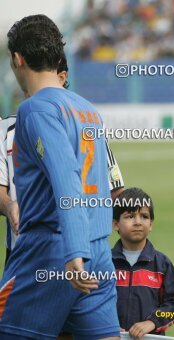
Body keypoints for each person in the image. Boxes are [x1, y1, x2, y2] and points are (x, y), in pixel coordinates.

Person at [0, 15, 120, 339]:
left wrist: (73, 251)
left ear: (17, 58)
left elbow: (67, 179)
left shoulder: (34, 109)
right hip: (98, 251)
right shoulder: (87, 109)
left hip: (55, 250)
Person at [0, 54, 125, 265]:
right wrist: (9, 205)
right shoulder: (6, 130)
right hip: (26, 254)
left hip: (83, 253)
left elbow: (116, 190)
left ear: (62, 77)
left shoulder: (90, 125)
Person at [112, 187, 174, 339]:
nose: (138, 222)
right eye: (130, 216)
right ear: (116, 224)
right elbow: (92, 301)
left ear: (151, 224)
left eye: (144, 216)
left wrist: (152, 322)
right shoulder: (106, 263)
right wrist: (106, 324)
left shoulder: (162, 265)